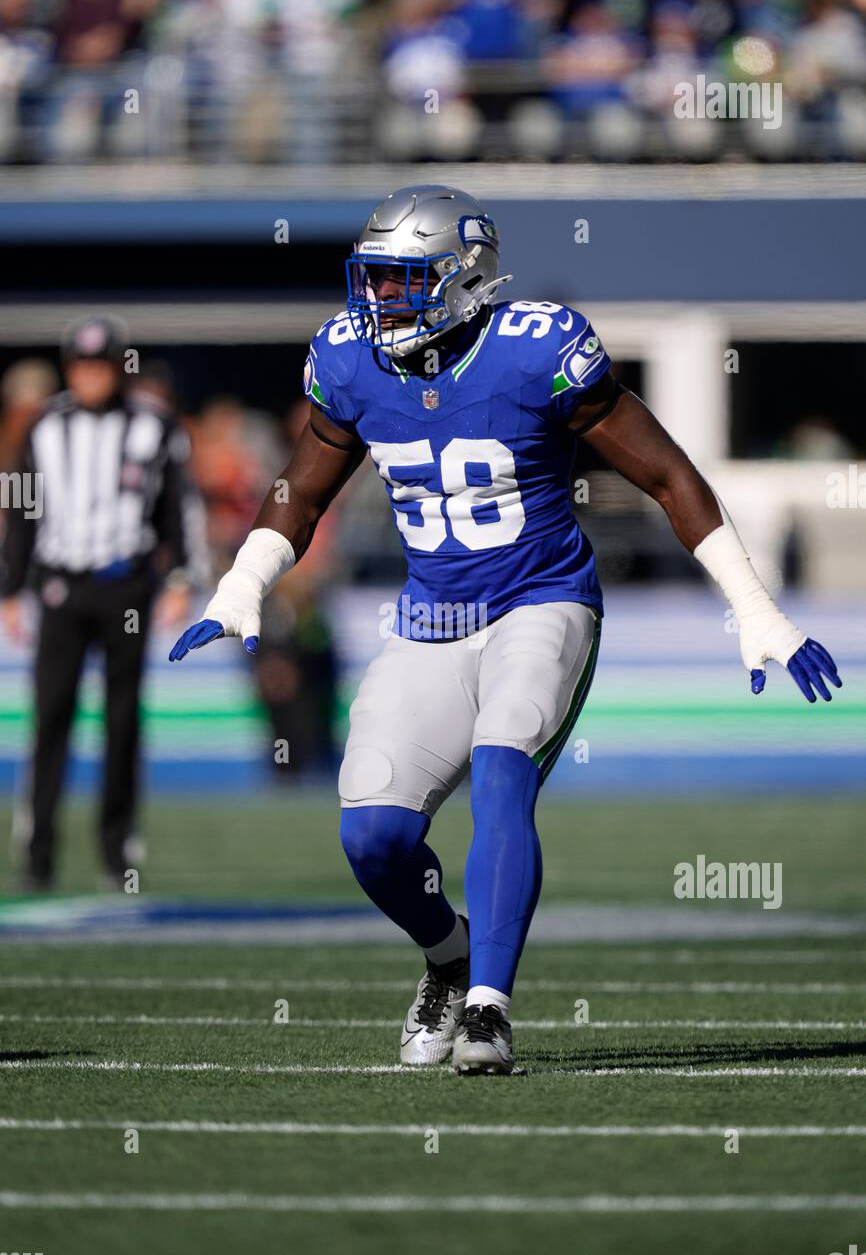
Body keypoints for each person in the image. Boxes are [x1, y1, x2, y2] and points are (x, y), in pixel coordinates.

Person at [169, 184, 841, 1076]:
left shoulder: (536, 351)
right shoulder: (349, 361)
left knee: (500, 772)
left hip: (542, 600)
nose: (379, 302)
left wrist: (756, 610)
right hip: (430, 619)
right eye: (373, 281)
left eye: (404, 282)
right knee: (372, 836)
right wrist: (246, 579)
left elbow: (672, 477)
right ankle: (449, 955)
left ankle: (488, 1007)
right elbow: (303, 488)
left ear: (464, 279)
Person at [0, 315, 207, 889]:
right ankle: (37, 852)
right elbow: (20, 509)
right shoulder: (43, 425)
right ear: (71, 369)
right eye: (82, 365)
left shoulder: (154, 425)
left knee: (121, 721)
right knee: (51, 719)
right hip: (61, 584)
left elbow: (179, 506)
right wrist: (11, 589)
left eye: (102, 364)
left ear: (120, 367)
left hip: (126, 587)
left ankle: (119, 849)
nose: (92, 376)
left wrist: (183, 577)